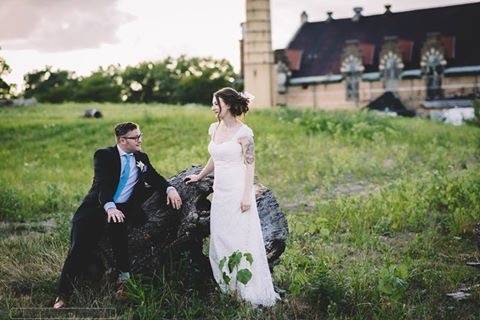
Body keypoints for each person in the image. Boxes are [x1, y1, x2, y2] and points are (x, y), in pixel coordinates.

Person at [53, 122, 182, 309]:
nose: (140, 140)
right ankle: (63, 294)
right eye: (135, 137)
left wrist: (170, 188)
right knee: (79, 249)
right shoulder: (104, 155)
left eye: (140, 136)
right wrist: (110, 207)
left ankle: (124, 282)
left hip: (124, 209)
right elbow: (102, 185)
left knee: (119, 235)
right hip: (96, 208)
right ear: (122, 140)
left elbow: (154, 177)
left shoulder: (141, 157)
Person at [185, 88, 279, 307]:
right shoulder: (215, 128)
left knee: (240, 238)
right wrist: (200, 175)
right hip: (221, 191)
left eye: (215, 103)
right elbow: (215, 156)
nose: (212, 107)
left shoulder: (244, 133)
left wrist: (246, 196)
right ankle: (229, 286)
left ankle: (249, 291)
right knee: (220, 236)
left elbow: (250, 164)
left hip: (238, 190)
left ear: (226, 105)